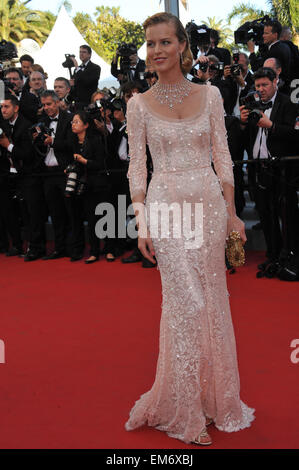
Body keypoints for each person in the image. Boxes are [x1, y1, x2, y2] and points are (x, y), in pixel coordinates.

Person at [124, 12, 255, 445]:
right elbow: (137, 169)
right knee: (187, 302)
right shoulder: (138, 103)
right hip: (164, 209)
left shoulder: (212, 94)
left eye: (164, 42)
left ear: (181, 45)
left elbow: (224, 155)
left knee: (212, 302)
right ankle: (184, 412)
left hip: (209, 208)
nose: (156, 51)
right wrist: (141, 224)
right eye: (150, 44)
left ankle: (215, 400)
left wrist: (234, 213)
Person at [240, 67, 299, 278]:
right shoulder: (253, 105)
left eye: (265, 85)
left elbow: (295, 134)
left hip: (283, 170)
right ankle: (273, 255)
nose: (261, 89)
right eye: (257, 86)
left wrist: (272, 126)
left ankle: (291, 257)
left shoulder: (290, 104)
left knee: (287, 216)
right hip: (260, 168)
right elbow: (245, 139)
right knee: (266, 214)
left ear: (276, 82)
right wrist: (243, 123)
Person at [71, 111, 115, 263]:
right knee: (91, 219)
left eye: (76, 122)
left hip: (100, 184)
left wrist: (84, 161)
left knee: (106, 216)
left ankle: (110, 249)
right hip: (84, 186)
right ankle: (94, 251)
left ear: (86, 125)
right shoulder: (73, 142)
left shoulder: (95, 140)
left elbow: (100, 163)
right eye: (72, 122)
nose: (73, 124)